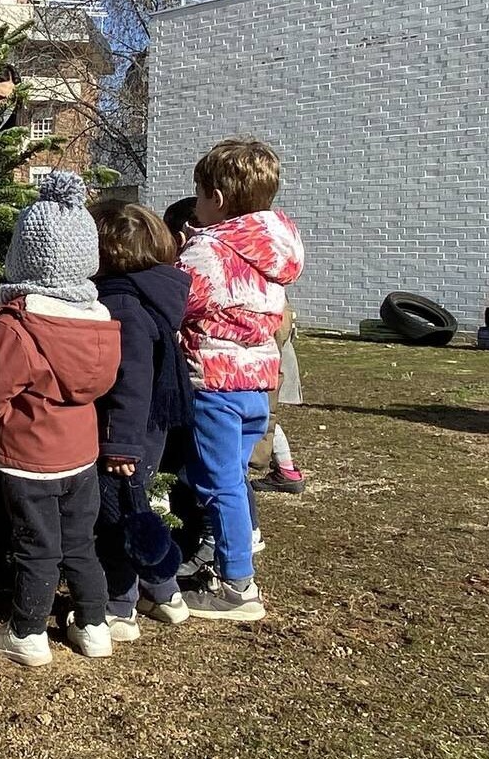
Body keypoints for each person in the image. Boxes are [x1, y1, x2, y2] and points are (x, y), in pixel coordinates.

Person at [0, 172, 121, 667]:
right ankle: (93, 624)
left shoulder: (20, 323)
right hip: (81, 453)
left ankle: (27, 632)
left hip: (28, 458)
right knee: (79, 542)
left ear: (23, 256)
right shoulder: (99, 320)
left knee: (37, 545)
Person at [174, 138, 304, 621]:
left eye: (200, 195)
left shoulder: (208, 250)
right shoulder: (276, 245)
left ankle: (237, 587)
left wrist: (185, 250)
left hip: (215, 381)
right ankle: (228, 559)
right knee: (233, 476)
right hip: (258, 380)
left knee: (219, 482)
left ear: (218, 200)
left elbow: (178, 300)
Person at [88, 201, 194, 638]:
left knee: (114, 517)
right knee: (134, 507)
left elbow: (131, 382)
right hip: (141, 431)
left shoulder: (123, 305)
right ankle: (166, 593)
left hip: (126, 434)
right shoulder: (151, 295)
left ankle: (120, 605)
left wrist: (121, 445)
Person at [251, 305, 306, 494]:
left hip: (267, 360)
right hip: (274, 357)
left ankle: (286, 471)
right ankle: (286, 470)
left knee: (262, 416)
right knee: (264, 416)